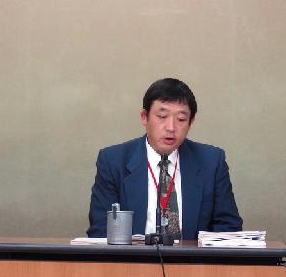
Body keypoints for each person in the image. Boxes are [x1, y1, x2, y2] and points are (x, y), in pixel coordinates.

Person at [87, 78, 242, 240]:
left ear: (191, 122)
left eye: (181, 119)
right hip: (134, 256)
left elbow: (228, 229)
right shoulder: (113, 161)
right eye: (162, 116)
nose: (171, 127)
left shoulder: (211, 162)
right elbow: (101, 231)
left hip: (192, 256)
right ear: (144, 117)